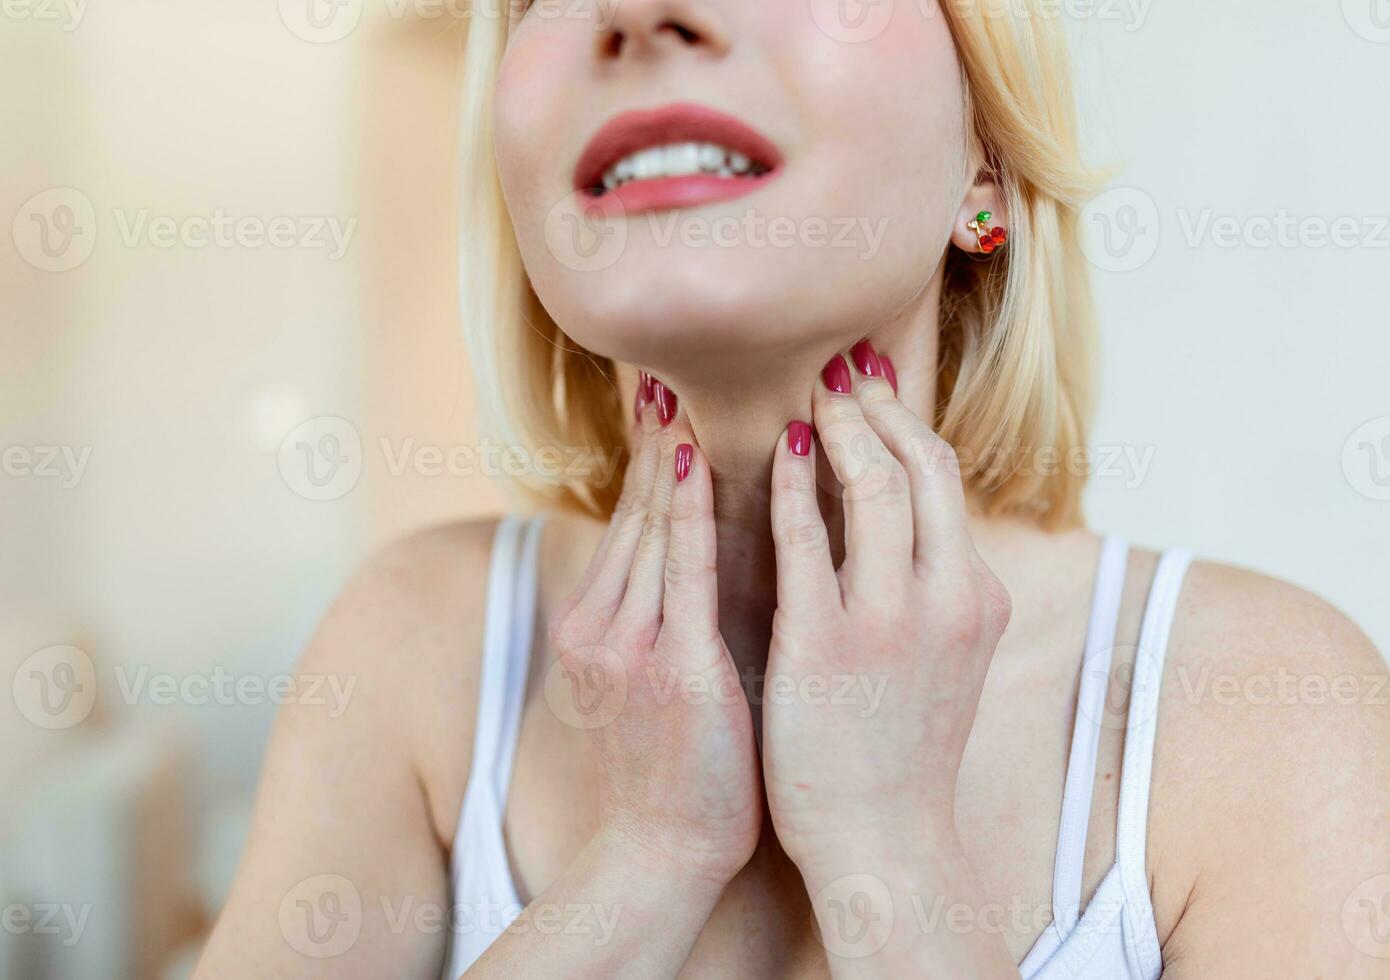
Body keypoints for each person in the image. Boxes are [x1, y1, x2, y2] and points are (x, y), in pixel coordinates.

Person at [197, 0, 1390, 976]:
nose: (640, 16)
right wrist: (645, 859)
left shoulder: (1258, 705)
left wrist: (891, 851)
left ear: (986, 156)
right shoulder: (414, 644)